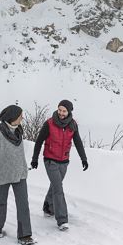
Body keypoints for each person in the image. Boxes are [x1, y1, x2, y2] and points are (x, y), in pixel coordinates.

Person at [31, 99, 89, 231]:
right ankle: (62, 220)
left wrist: (83, 159)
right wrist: (35, 159)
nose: (61, 113)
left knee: (55, 185)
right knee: (58, 188)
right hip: (50, 160)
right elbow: (39, 141)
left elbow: (78, 142)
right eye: (59, 110)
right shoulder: (49, 124)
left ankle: (48, 207)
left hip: (64, 162)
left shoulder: (72, 125)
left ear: (69, 112)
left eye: (64, 111)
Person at [0, 104, 36, 245]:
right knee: (0, 202)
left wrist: (24, 167)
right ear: (13, 117)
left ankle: (25, 235)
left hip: (20, 174)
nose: (22, 117)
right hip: (3, 174)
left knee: (23, 204)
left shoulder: (19, 131)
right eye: (20, 115)